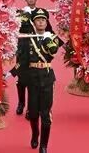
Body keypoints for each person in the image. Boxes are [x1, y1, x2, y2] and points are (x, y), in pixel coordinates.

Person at [17, 8, 58, 153]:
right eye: (38, 20)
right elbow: (22, 58)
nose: (41, 22)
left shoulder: (52, 37)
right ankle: (35, 134)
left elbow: (53, 51)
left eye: (43, 20)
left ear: (47, 22)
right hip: (33, 78)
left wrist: (47, 39)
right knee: (33, 113)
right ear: (34, 23)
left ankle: (44, 145)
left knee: (46, 114)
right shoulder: (29, 40)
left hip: (46, 78)